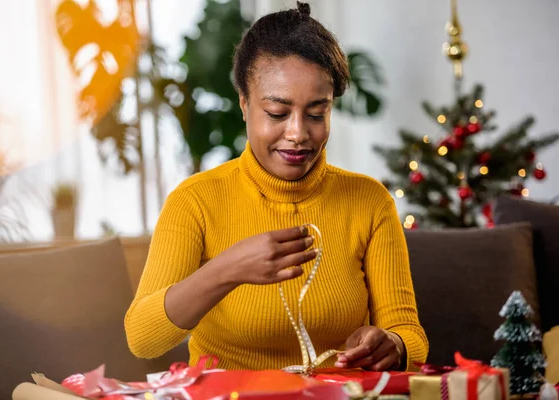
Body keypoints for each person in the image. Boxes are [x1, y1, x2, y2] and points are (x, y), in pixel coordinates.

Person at [125, 1, 428, 372]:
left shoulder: (369, 201)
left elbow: (409, 333)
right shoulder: (195, 202)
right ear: (244, 104)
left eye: (317, 113)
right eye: (277, 114)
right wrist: (227, 270)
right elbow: (142, 338)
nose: (298, 134)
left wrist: (393, 345)